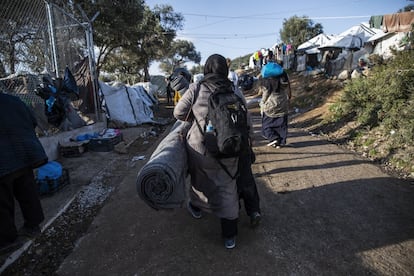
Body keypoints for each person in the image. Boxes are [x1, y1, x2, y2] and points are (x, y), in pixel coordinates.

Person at [174, 54, 252, 249]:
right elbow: (248, 122)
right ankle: (229, 235)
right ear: (225, 71)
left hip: (201, 150)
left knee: (199, 181)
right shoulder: (234, 90)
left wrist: (197, 117)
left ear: (206, 69)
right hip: (229, 147)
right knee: (227, 187)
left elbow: (178, 113)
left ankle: (197, 206)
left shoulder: (197, 88)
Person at [0, 93, 48, 254]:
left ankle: (7, 240)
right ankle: (33, 225)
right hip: (25, 152)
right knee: (27, 190)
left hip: (4, 159)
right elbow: (33, 121)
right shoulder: (14, 100)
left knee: (3, 201)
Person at [226, 58, 261, 227]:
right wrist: (251, 136)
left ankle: (232, 213)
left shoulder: (206, 90)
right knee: (246, 177)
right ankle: (254, 211)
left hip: (223, 144)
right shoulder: (236, 91)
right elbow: (246, 115)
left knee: (228, 180)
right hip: (242, 141)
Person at [259, 51, 292, 148]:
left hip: (270, 104)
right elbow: (289, 90)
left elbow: (265, 95)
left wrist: (262, 104)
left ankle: (273, 138)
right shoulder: (284, 79)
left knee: (267, 125)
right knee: (281, 125)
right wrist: (288, 99)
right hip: (283, 103)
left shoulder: (266, 81)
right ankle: (280, 141)